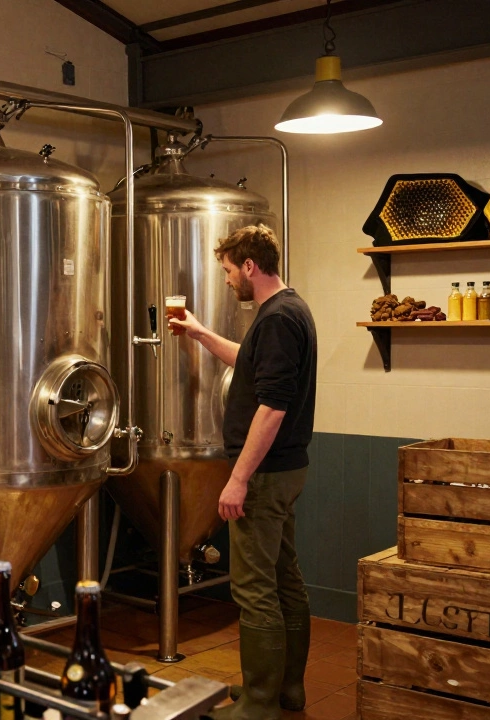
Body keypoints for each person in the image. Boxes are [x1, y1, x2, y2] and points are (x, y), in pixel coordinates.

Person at [168, 224, 317, 720]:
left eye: (230, 270)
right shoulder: (289, 310)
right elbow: (252, 368)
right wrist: (200, 333)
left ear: (249, 266)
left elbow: (272, 406)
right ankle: (285, 691)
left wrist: (238, 478)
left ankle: (258, 702)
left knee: (254, 588)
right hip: (286, 469)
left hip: (264, 475)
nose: (229, 280)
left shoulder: (276, 319)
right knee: (283, 579)